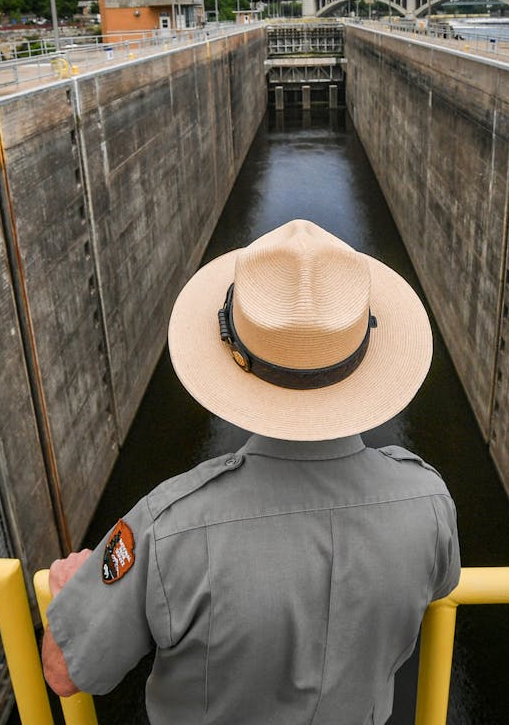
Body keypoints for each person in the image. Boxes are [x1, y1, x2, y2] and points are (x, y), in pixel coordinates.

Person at [41, 219, 460, 723]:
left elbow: (63, 673)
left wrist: (69, 591)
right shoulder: (428, 503)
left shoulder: (167, 529)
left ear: (231, 352)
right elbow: (441, 584)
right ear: (365, 352)